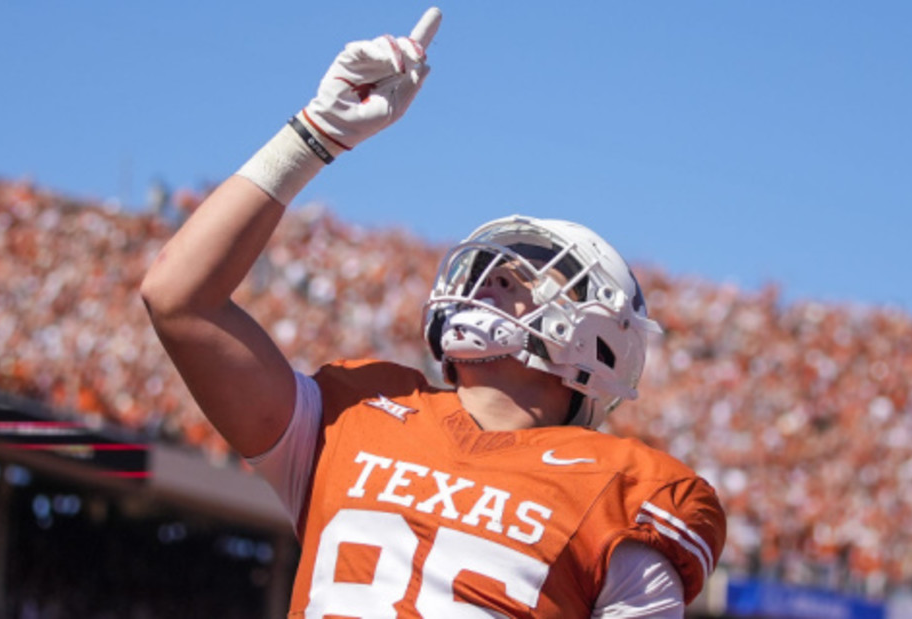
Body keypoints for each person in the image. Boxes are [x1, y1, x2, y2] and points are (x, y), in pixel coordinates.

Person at [140, 7, 725, 617]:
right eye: (493, 264)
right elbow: (179, 299)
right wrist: (316, 133)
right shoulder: (354, 414)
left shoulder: (623, 493)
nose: (493, 274)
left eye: (532, 269)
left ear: (601, 337)